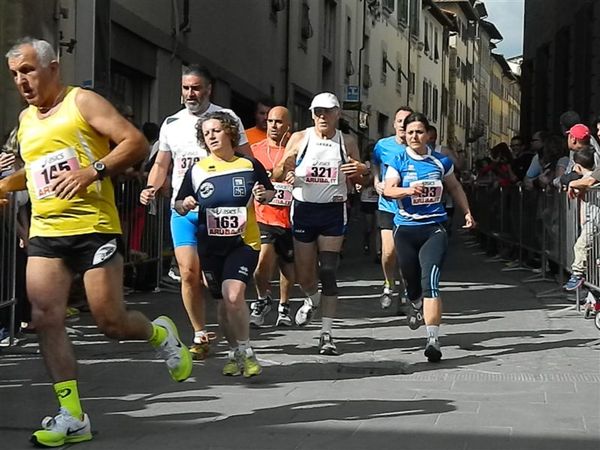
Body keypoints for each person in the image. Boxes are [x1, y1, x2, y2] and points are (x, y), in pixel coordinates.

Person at [2, 37, 192, 447]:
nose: (22, 81)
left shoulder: (82, 102)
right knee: (45, 317)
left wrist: (93, 171)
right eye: (15, 74)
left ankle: (160, 335)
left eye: (29, 71)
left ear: (53, 68)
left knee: (110, 322)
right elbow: (35, 173)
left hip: (93, 227)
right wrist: (5, 185)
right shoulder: (26, 120)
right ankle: (72, 415)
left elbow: (135, 143)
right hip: (47, 232)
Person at [140, 65, 250, 360]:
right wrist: (151, 187)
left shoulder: (226, 119)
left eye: (197, 88)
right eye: (186, 88)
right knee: (189, 273)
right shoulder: (171, 123)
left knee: (215, 283)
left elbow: (247, 160)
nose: (191, 93)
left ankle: (232, 329)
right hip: (182, 209)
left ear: (208, 89)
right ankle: (200, 334)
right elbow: (163, 164)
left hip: (217, 212)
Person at [175, 111, 274, 377]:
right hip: (210, 246)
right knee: (222, 301)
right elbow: (178, 203)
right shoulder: (197, 170)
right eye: (206, 133)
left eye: (216, 131)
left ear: (229, 132)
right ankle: (233, 353)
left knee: (234, 296)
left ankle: (247, 351)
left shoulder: (249, 166)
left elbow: (269, 191)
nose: (211, 137)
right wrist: (184, 204)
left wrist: (264, 195)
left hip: (243, 243)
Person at [273, 92, 366, 355]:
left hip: (333, 211)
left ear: (338, 113)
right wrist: (286, 166)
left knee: (327, 270)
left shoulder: (347, 141)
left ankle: (327, 334)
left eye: (327, 111)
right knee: (304, 276)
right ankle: (312, 299)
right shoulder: (300, 138)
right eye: (317, 112)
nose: (321, 116)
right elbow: (277, 173)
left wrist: (361, 172)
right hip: (304, 211)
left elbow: (360, 182)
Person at [383, 112, 475, 362]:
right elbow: (389, 189)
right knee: (412, 284)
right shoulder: (398, 160)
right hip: (405, 230)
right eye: (410, 132)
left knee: (430, 281)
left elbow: (455, 187)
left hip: (433, 228)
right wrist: (408, 190)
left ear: (428, 135)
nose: (414, 136)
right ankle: (414, 303)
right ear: (405, 134)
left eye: (419, 132)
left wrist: (467, 213)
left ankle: (433, 339)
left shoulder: (441, 162)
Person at [249, 106, 296, 327]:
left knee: (287, 265)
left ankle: (284, 306)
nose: (273, 126)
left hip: (289, 216)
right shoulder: (255, 150)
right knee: (261, 264)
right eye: (270, 121)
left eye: (278, 122)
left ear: (288, 126)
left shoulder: (295, 152)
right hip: (263, 216)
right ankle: (262, 298)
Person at [372, 106, 412, 310]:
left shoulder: (418, 147)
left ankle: (405, 289)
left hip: (411, 209)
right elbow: (375, 163)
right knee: (388, 252)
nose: (403, 125)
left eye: (407, 121)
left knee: (405, 254)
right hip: (387, 205)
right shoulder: (383, 145)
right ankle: (389, 283)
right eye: (399, 121)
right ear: (394, 124)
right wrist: (377, 180)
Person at [562, 148, 599, 290]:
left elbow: (589, 183)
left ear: (577, 166)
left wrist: (572, 184)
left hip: (594, 221)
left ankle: (577, 274)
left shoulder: (590, 178)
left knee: (581, 246)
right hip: (591, 221)